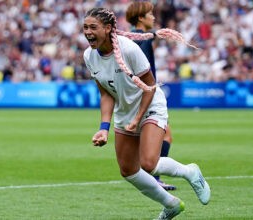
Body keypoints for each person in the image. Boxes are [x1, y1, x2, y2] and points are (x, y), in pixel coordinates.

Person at [83, 7, 210, 219]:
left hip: (149, 104)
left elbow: (150, 86)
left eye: (93, 27)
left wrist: (138, 118)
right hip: (125, 111)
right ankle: (171, 204)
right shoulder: (89, 56)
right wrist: (103, 128)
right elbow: (105, 93)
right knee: (128, 170)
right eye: (85, 27)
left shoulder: (129, 49)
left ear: (107, 28)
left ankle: (190, 171)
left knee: (149, 163)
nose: (87, 32)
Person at [126, 1, 176, 191]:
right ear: (141, 17)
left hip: (134, 94)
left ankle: (151, 176)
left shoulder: (131, 37)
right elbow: (144, 71)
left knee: (143, 138)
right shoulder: (143, 39)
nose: (154, 17)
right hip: (147, 93)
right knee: (166, 136)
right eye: (150, 14)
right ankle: (154, 177)